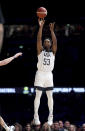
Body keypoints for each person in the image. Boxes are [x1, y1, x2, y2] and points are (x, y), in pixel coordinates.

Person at [33, 18, 57, 126]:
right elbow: (38, 39)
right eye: (45, 41)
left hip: (49, 75)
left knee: (50, 96)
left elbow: (55, 42)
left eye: (48, 41)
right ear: (43, 44)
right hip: (40, 74)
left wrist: (52, 31)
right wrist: (41, 26)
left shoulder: (53, 52)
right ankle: (36, 116)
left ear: (50, 44)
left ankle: (50, 117)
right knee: (37, 96)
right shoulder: (40, 51)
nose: (46, 42)